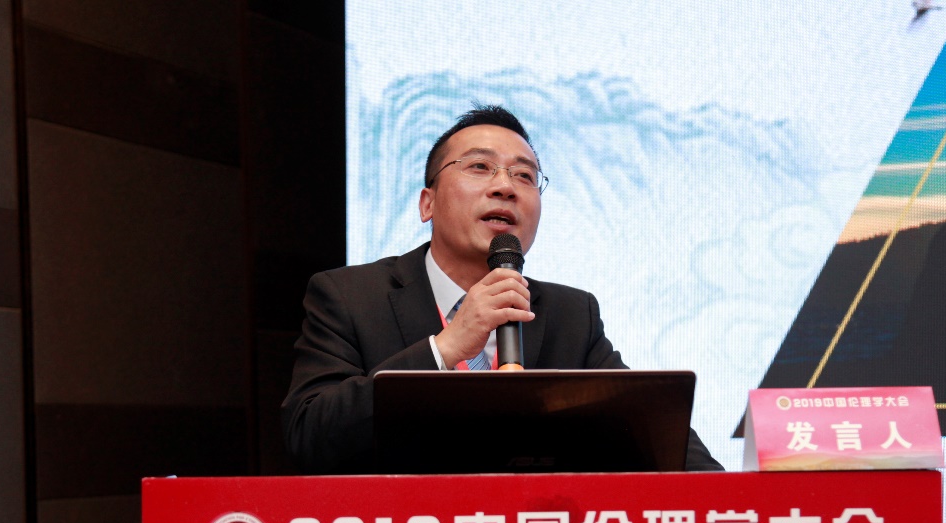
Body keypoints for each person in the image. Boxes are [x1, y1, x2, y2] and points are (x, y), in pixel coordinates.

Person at [282, 103, 722, 474]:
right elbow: (307, 435)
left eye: (525, 176)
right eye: (479, 167)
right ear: (427, 203)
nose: (505, 187)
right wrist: (444, 348)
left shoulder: (571, 314)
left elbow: (655, 434)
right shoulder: (349, 297)